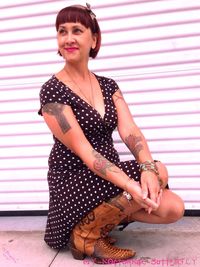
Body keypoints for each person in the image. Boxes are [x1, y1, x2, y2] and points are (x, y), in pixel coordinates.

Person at [38, 3, 185, 264]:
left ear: (94, 39)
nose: (68, 38)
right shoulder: (52, 91)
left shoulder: (108, 85)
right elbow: (85, 151)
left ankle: (97, 225)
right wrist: (131, 184)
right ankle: (85, 235)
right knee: (158, 174)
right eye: (62, 31)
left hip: (106, 177)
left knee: (173, 208)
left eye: (77, 30)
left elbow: (130, 131)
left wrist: (147, 168)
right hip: (73, 180)